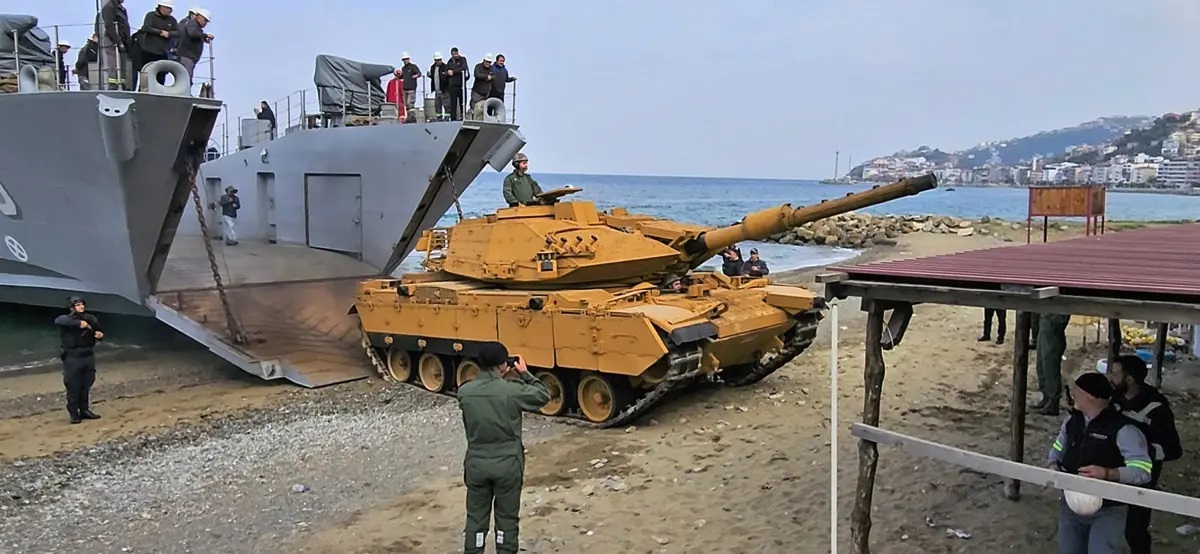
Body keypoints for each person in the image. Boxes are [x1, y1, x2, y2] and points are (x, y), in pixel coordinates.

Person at [457, 342, 551, 554]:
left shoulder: (465, 392)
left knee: (476, 518)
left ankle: (474, 549)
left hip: (477, 464)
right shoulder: (511, 391)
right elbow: (543, 395)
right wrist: (524, 373)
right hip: (508, 464)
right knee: (507, 518)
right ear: (502, 365)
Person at [1049, 372, 1152, 554]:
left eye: (1076, 391)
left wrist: (1108, 473)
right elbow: (1058, 448)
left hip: (1108, 511)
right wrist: (1052, 465)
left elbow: (1143, 471)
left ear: (1090, 396)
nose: (1072, 395)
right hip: (1070, 505)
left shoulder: (1124, 429)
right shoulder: (1072, 421)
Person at [1108, 354, 1183, 554]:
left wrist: (1141, 450)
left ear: (1130, 379)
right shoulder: (1114, 398)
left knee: (1135, 527)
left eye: (1115, 374)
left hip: (1141, 477)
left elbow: (1173, 450)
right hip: (1114, 471)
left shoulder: (1156, 409)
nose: (1110, 378)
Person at [53, 297, 105, 424]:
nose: (81, 307)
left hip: (88, 355)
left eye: (82, 304)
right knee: (73, 386)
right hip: (73, 357)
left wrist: (100, 335)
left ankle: (84, 410)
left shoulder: (91, 318)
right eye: (78, 305)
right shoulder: (66, 320)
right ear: (72, 307)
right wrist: (78, 324)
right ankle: (73, 413)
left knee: (86, 384)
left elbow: (99, 330)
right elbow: (58, 320)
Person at [1035, 312, 1072, 415]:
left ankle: (1053, 402)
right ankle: (1046, 397)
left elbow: (1062, 319)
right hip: (1045, 327)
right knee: (1041, 366)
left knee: (1050, 369)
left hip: (1053, 330)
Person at [136, 1, 179, 87]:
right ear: (161, 7)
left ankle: (159, 94)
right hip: (149, 52)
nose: (170, 11)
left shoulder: (172, 20)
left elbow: (178, 33)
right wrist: (160, 32)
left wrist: (169, 34)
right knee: (146, 77)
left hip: (163, 54)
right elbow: (146, 27)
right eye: (168, 8)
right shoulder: (151, 15)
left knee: (161, 79)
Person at [95, 0, 131, 90]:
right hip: (112, 40)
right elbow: (109, 25)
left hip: (123, 39)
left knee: (122, 64)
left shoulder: (122, 9)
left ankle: (122, 83)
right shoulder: (109, 7)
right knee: (113, 63)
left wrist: (126, 41)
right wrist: (118, 40)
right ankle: (113, 84)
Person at [175, 7, 213, 85]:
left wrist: (203, 38)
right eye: (204, 20)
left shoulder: (196, 27)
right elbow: (192, 33)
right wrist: (205, 35)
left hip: (190, 58)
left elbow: (195, 34)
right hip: (187, 56)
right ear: (198, 17)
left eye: (206, 22)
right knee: (186, 79)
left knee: (186, 78)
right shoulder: (192, 23)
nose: (205, 23)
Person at [446, 47, 470, 121]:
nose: (455, 55)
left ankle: (463, 117)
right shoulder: (450, 61)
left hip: (461, 85)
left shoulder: (462, 59)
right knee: (453, 104)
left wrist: (454, 71)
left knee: (462, 102)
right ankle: (453, 118)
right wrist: (448, 72)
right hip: (452, 86)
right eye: (453, 54)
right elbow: (445, 71)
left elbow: (463, 68)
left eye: (456, 54)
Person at [428, 52, 450, 121]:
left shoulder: (445, 67)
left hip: (444, 90)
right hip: (437, 91)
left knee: (447, 105)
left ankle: (447, 118)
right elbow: (433, 77)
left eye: (440, 60)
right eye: (437, 60)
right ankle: (439, 119)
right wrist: (429, 75)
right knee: (437, 106)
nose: (439, 61)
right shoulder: (432, 67)